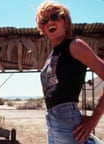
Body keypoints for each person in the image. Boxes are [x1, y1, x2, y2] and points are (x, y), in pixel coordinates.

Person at [36, 1, 104, 144]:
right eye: (44, 20)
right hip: (52, 125)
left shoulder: (75, 45)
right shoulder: (51, 55)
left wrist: (94, 118)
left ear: (65, 22)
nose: (50, 22)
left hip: (68, 123)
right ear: (41, 26)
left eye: (55, 16)